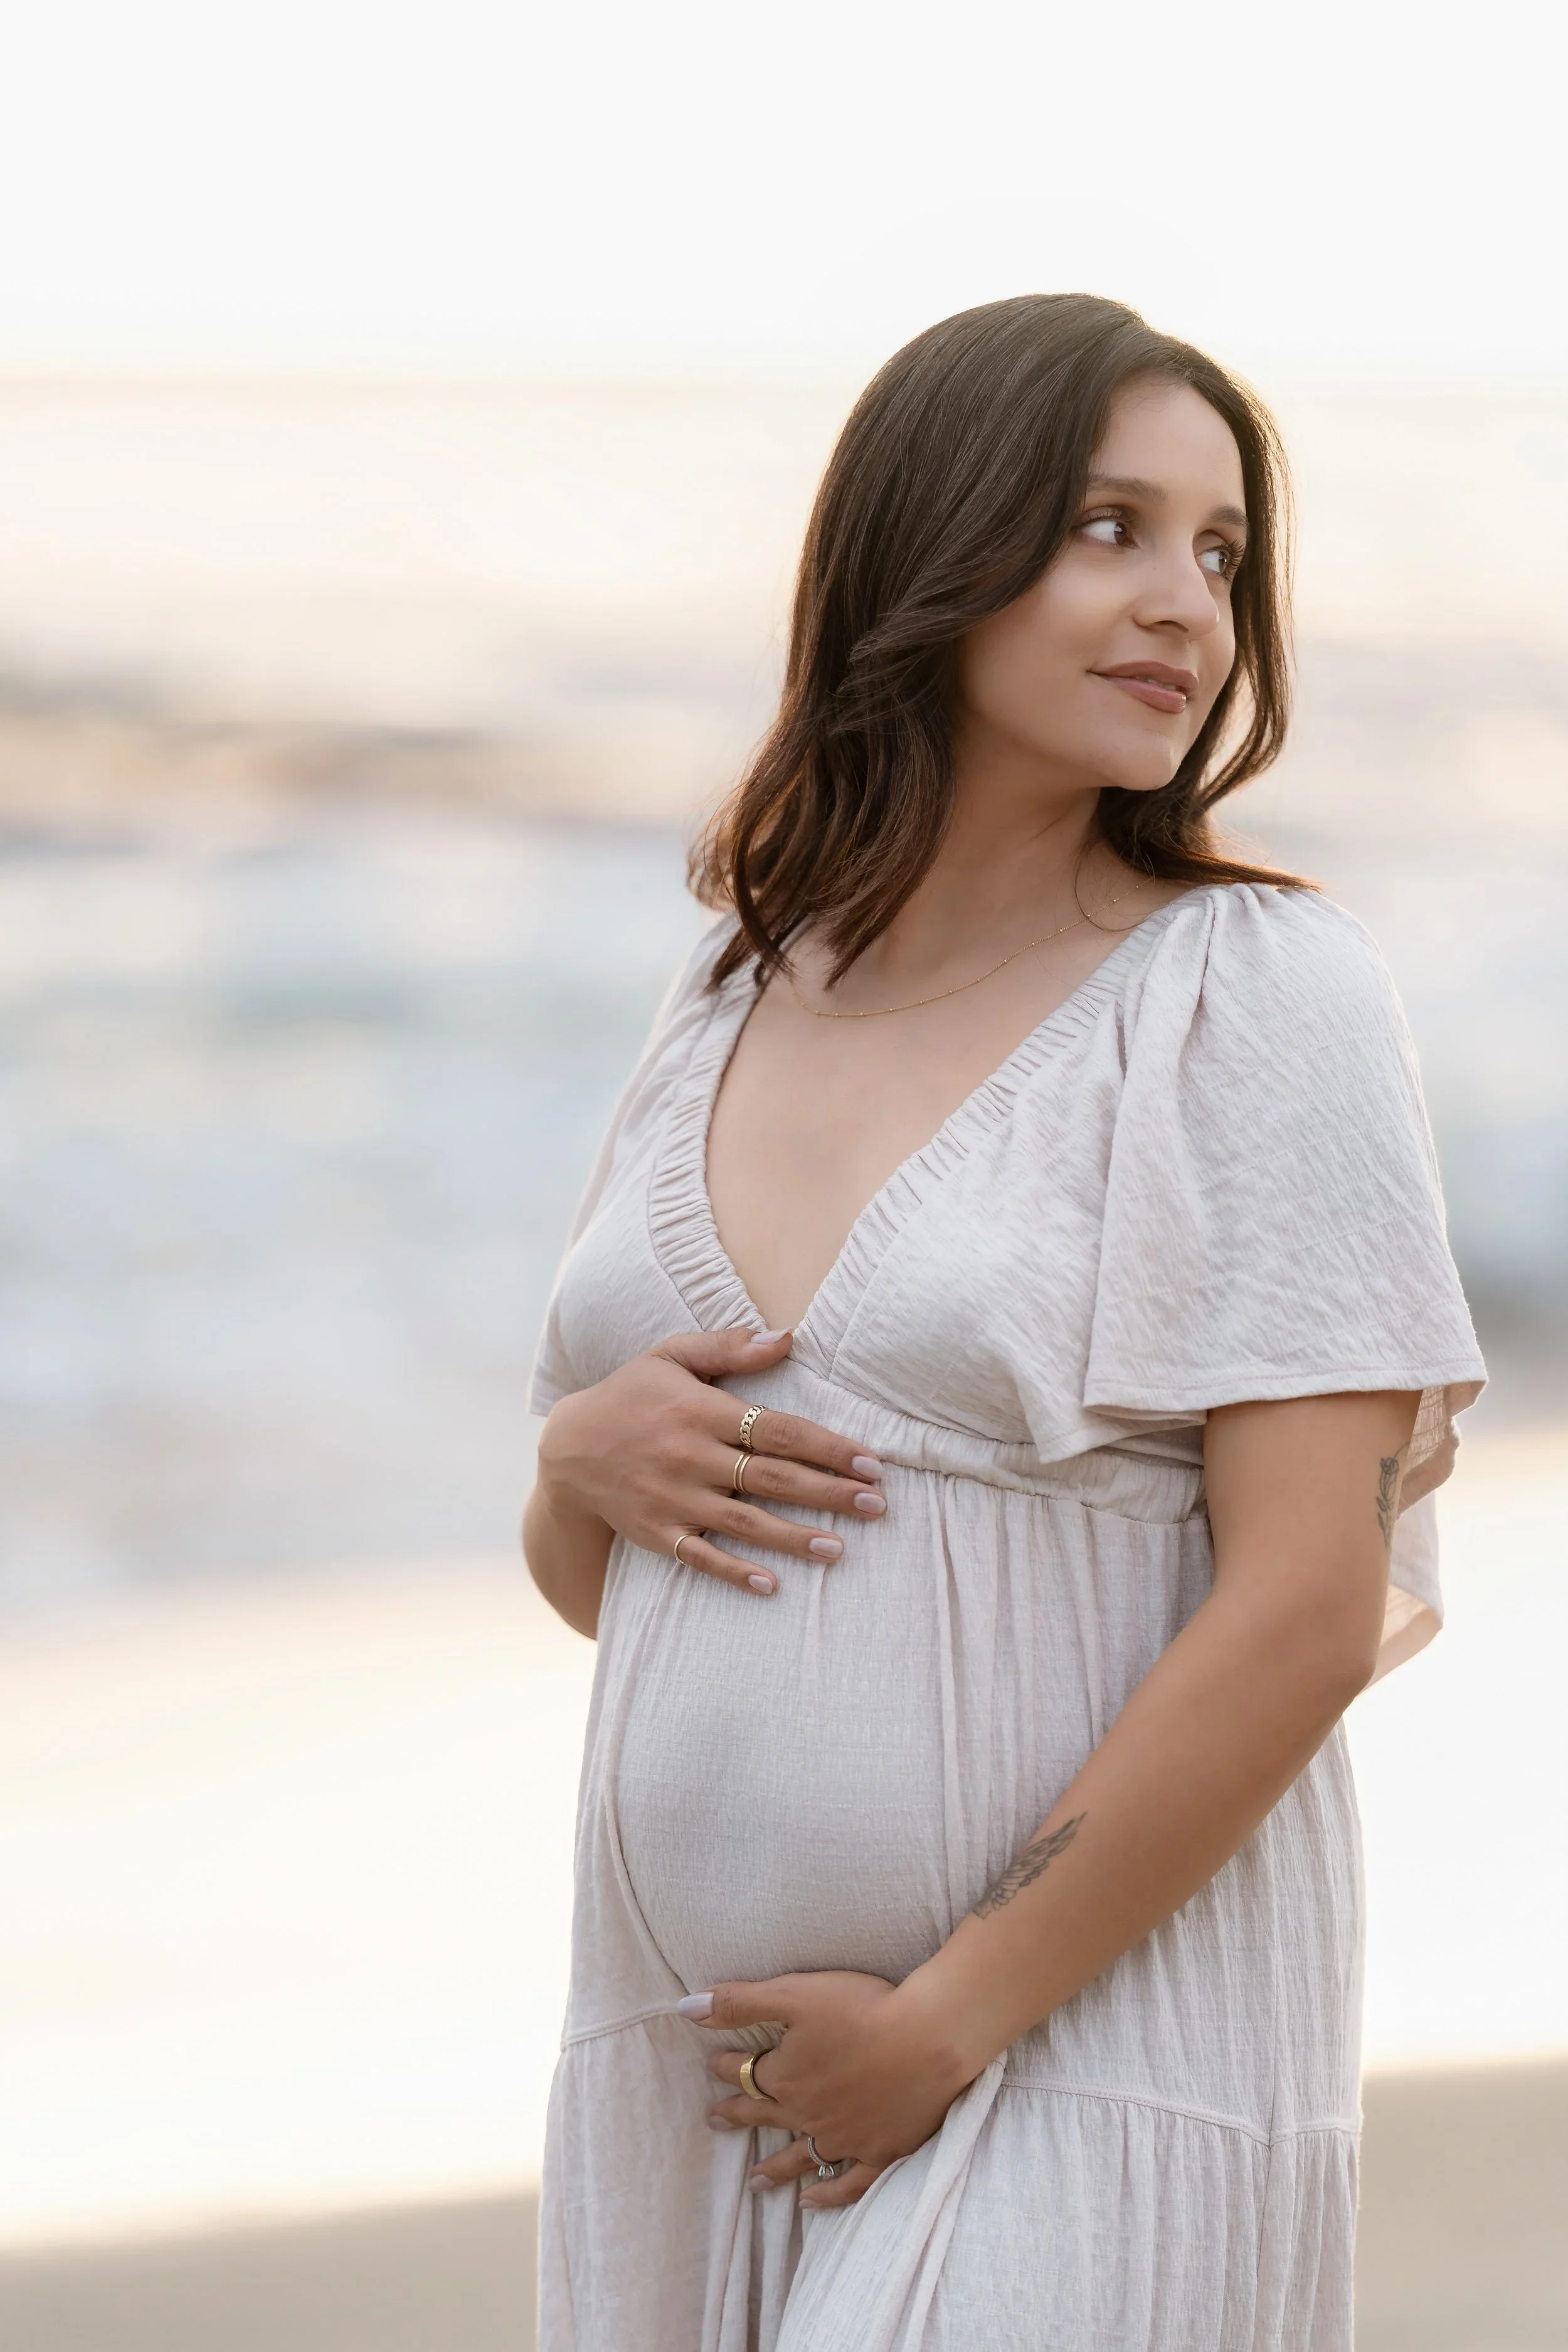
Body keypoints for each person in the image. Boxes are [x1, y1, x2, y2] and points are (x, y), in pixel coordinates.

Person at [521, 294, 1485, 2351]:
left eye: (1219, 554)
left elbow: (1307, 1599)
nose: (1185, 610)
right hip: (699, 2071)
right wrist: (572, 1459)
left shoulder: (1256, 994)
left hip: (1084, 2051)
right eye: (1108, 529)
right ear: (929, 550)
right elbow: (637, 1581)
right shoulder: (730, 987)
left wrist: (944, 2019)